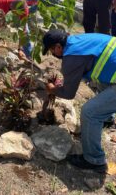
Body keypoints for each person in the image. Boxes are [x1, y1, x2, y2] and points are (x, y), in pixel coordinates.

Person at [43, 29, 116, 173]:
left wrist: (52, 90)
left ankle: (94, 160)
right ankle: (106, 117)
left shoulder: (71, 57)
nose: (53, 54)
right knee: (98, 81)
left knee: (89, 112)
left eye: (52, 50)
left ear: (58, 46)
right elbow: (86, 66)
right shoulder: (80, 41)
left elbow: (69, 94)